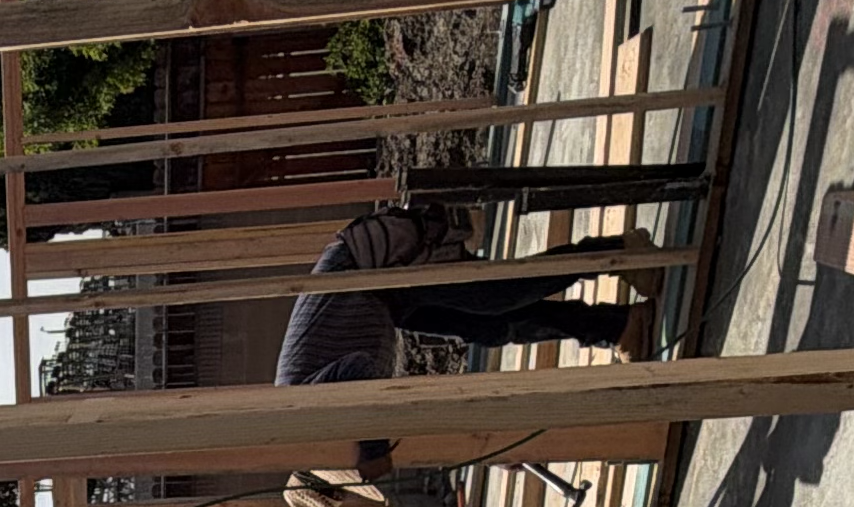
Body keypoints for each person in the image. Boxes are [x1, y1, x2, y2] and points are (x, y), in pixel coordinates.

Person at [275, 203, 655, 484]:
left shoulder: (304, 412)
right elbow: (403, 406)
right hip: (387, 297)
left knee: (496, 296)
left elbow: (360, 368)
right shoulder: (328, 424)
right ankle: (616, 326)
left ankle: (619, 249)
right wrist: (482, 445)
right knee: (490, 327)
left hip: (377, 263)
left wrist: (373, 449)